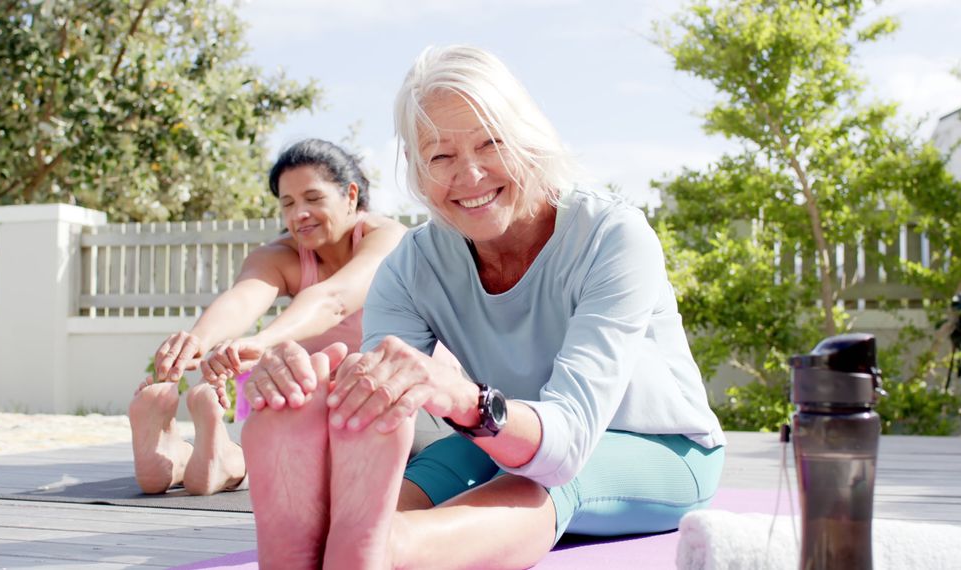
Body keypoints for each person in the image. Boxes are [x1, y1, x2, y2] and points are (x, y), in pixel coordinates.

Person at [240, 46, 726, 569]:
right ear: (417, 170)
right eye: (441, 156)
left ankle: (388, 550)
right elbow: (378, 405)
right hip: (496, 440)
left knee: (551, 478)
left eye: (490, 144)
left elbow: (566, 444)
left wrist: (465, 399)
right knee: (424, 469)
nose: (469, 176)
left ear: (529, 139)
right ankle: (319, 542)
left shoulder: (612, 237)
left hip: (658, 450)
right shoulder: (410, 266)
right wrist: (311, 386)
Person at [129, 138, 450, 496]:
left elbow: (335, 300)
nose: (299, 214)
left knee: (315, 434)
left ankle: (224, 461)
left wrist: (263, 341)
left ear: (350, 195)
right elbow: (243, 298)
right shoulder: (280, 255)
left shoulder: (389, 238)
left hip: (416, 401)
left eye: (313, 199)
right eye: (288, 203)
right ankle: (179, 456)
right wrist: (198, 340)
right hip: (329, 403)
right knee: (289, 415)